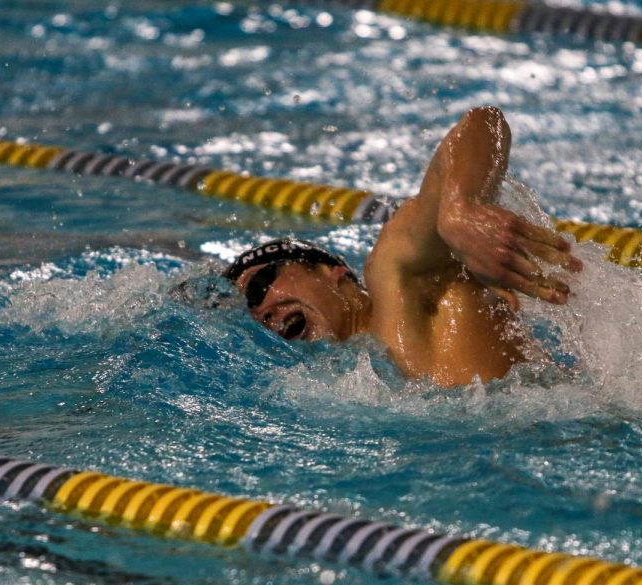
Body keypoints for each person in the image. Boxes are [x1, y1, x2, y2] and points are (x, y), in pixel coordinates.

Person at [224, 107, 582, 387]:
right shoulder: (350, 384)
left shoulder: (396, 277)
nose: (259, 313)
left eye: (259, 286)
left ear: (332, 273)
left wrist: (461, 210)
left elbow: (484, 124)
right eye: (246, 312)